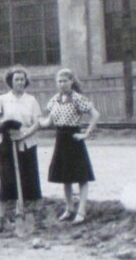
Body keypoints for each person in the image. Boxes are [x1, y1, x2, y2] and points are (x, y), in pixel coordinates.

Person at [41, 68, 100, 224]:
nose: (62, 84)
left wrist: (86, 134)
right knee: (65, 177)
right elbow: (48, 122)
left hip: (74, 138)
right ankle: (69, 209)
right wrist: (33, 121)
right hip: (60, 139)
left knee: (81, 176)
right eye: (59, 81)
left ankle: (81, 210)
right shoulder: (54, 100)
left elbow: (95, 114)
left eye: (65, 81)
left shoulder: (77, 98)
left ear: (72, 81)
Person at [0, 65, 42, 233]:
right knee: (6, 181)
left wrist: (24, 134)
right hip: (8, 145)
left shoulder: (31, 100)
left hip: (27, 144)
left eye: (22, 79)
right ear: (10, 82)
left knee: (29, 181)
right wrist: (2, 126)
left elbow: (37, 123)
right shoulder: (3, 99)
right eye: (16, 80)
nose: (20, 82)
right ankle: (1, 219)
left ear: (26, 81)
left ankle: (28, 216)